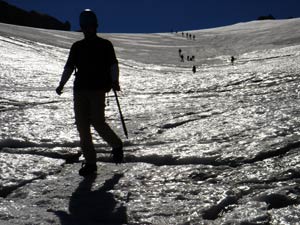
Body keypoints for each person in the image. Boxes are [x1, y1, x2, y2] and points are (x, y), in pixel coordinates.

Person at [56, 9, 123, 176]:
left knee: (97, 121)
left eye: (90, 25)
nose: (88, 29)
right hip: (80, 89)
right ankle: (91, 163)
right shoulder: (77, 47)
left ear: (95, 26)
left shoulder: (105, 45)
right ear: (82, 27)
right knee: (82, 126)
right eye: (85, 26)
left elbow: (112, 64)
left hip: (97, 88)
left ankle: (116, 144)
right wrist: (61, 84)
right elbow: (69, 66)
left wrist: (114, 81)